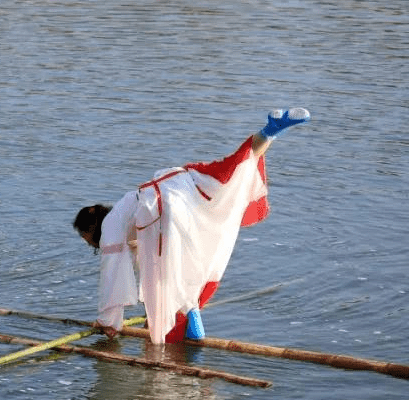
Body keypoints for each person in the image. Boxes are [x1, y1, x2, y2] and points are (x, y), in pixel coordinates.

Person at [73, 108, 309, 344]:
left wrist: (108, 322)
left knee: (170, 271)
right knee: (231, 171)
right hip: (183, 185)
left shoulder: (114, 225)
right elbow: (140, 265)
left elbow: (111, 276)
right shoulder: (127, 213)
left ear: (92, 229)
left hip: (163, 204)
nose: (91, 244)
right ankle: (269, 132)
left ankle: (176, 324)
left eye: (87, 239)